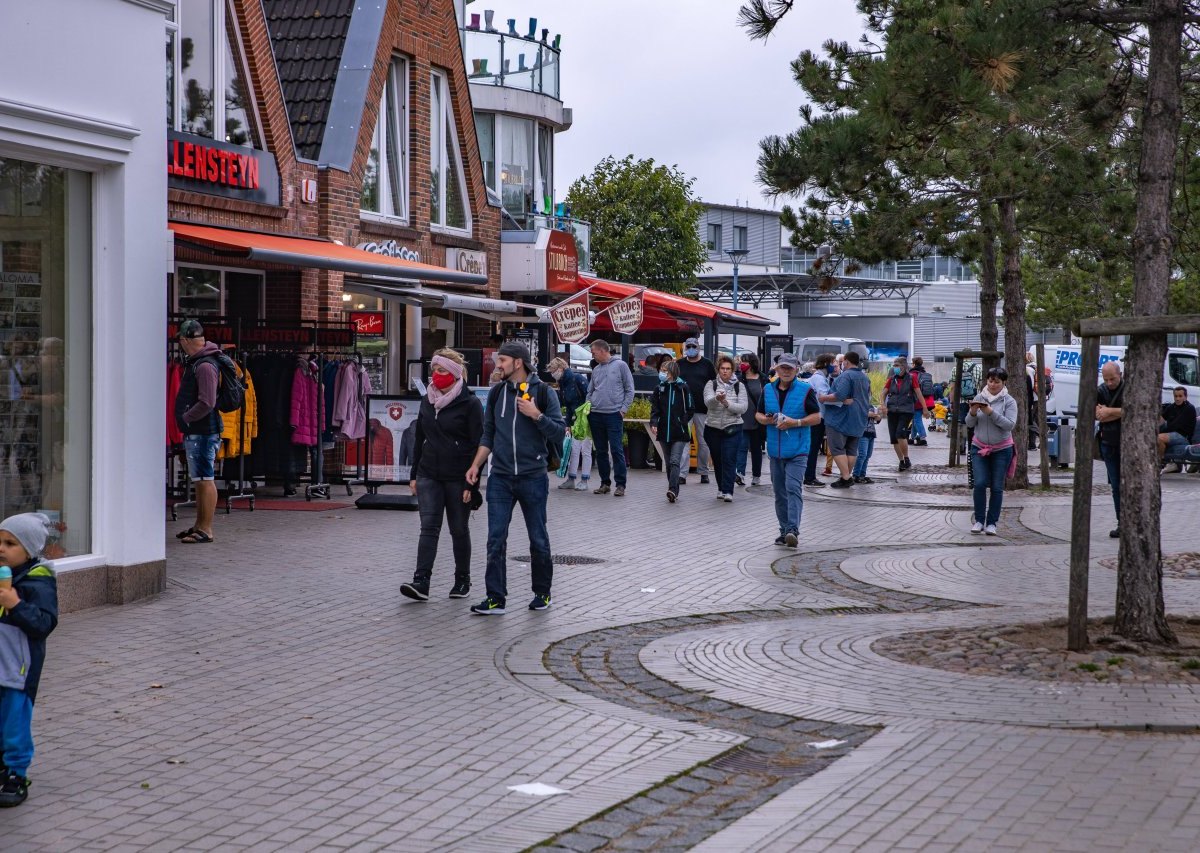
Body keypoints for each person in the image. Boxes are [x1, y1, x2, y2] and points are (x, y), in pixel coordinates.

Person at [465, 342, 565, 614]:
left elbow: (559, 433)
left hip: (533, 477)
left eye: (503, 360)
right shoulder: (497, 393)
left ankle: (542, 593)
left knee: (538, 538)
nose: (498, 365)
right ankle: (496, 598)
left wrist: (537, 415)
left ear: (518, 362)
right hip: (500, 478)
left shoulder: (544, 392)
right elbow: (488, 434)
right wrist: (476, 465)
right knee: (495, 538)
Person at [401, 349, 483, 603]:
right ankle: (421, 582)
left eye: (442, 371)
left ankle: (462, 580)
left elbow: (478, 444)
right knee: (429, 528)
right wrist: (414, 474)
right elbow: (419, 438)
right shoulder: (428, 400)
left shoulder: (470, 403)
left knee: (458, 529)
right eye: (434, 370)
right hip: (429, 473)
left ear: (455, 374)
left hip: (458, 476)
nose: (436, 376)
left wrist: (474, 484)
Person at [0, 512, 59, 807]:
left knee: (14, 724)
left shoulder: (39, 581)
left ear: (29, 549)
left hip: (18, 672)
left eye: (10, 543)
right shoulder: (3, 574)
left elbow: (44, 624)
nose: (1, 548)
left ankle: (16, 774)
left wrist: (16, 604)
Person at [755, 353, 821, 547]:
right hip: (775, 451)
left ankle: (793, 529)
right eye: (782, 367)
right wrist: (767, 420)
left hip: (798, 449)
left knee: (793, 488)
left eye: (789, 368)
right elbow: (757, 414)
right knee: (779, 492)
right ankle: (784, 531)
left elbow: (817, 417)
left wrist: (795, 422)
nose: (785, 371)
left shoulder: (805, 390)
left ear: (796, 370)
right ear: (776, 368)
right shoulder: (767, 389)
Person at [173, 319, 224, 545]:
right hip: (200, 430)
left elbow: (207, 402)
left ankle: (206, 528)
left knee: (205, 479)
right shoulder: (199, 362)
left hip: (204, 431)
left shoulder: (204, 365)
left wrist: (186, 418)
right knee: (200, 479)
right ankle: (199, 525)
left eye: (181, 341)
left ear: (185, 340)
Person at [965, 367, 1017, 536]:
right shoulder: (979, 398)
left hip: (1002, 449)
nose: (993, 384)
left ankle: (992, 523)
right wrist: (973, 412)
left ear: (1004, 383)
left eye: (997, 381)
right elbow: (969, 424)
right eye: (990, 381)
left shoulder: (1009, 401)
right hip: (979, 448)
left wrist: (990, 412)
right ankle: (979, 521)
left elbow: (1009, 424)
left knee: (996, 487)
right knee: (979, 483)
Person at [585, 340, 635, 496]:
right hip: (596, 414)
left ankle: (620, 485)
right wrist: (588, 405)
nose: (592, 355)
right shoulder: (596, 369)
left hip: (614, 414)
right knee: (600, 451)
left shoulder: (621, 366)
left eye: (593, 352)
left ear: (602, 350)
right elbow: (590, 390)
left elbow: (629, 389)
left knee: (616, 449)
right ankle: (605, 483)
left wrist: (623, 410)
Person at [821, 350, 872, 488]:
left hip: (840, 419)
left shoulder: (845, 376)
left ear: (847, 362)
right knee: (851, 449)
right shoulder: (864, 377)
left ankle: (846, 477)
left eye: (842, 362)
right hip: (859, 417)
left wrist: (823, 397)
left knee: (837, 448)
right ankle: (846, 477)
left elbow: (840, 395)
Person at [702, 355, 748, 502]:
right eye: (722, 368)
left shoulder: (739, 386)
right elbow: (708, 403)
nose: (725, 371)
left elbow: (743, 408)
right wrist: (717, 399)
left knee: (729, 458)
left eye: (728, 369)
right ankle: (721, 488)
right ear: (718, 369)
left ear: (732, 370)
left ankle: (729, 491)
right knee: (718, 459)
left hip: (733, 427)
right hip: (713, 427)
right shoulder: (712, 384)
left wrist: (727, 403)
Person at [649, 359, 694, 502]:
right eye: (661, 370)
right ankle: (672, 487)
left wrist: (683, 421)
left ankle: (673, 489)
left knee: (675, 461)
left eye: (665, 370)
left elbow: (691, 408)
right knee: (668, 463)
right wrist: (654, 422)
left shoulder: (683, 387)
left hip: (679, 432)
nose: (662, 373)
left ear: (672, 372)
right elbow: (655, 409)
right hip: (664, 431)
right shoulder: (659, 389)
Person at [676, 337, 717, 485]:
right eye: (689, 346)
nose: (691, 349)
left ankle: (704, 472)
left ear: (698, 347)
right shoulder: (679, 364)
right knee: (684, 441)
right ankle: (682, 474)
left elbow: (715, 383)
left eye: (694, 346)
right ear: (685, 348)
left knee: (704, 442)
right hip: (684, 409)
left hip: (703, 409)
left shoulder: (707, 364)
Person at [548, 357, 592, 491]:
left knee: (585, 449)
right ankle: (572, 478)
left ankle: (584, 479)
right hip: (575, 418)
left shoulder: (576, 379)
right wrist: (567, 422)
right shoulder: (564, 383)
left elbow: (588, 397)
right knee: (574, 448)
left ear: (561, 368)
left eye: (554, 370)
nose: (553, 373)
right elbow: (568, 405)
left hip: (585, 418)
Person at [880, 355, 928, 472]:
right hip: (892, 411)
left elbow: (919, 394)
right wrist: (883, 405)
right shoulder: (891, 379)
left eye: (897, 365)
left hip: (906, 410)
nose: (895, 368)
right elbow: (883, 393)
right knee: (894, 438)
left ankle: (906, 458)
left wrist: (925, 408)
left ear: (903, 367)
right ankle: (901, 461)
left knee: (900, 434)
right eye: (894, 365)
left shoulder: (911, 378)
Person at [1096, 361, 1124, 538]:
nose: (1109, 383)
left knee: (1128, 484)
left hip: (1126, 442)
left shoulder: (1128, 388)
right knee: (1115, 486)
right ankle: (1121, 521)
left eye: (1112, 379)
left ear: (1119, 374)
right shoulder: (1100, 391)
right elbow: (1097, 414)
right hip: (1108, 442)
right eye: (1106, 379)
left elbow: (1134, 410)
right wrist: (1117, 413)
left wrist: (1109, 411)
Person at [803, 354, 836, 487]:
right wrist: (842, 400)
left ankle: (809, 476)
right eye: (832, 363)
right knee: (813, 447)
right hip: (818, 417)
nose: (833, 366)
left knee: (813, 447)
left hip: (818, 416)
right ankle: (809, 477)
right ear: (826, 364)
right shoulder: (819, 379)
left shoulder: (820, 377)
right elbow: (824, 397)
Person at [735, 354, 765, 486]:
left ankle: (756, 475)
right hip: (742, 417)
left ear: (752, 363)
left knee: (756, 448)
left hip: (758, 418)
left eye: (744, 362)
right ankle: (740, 474)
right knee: (741, 447)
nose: (741, 364)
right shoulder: (738, 379)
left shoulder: (763, 378)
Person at [1158, 387, 1196, 473]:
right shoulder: (1171, 407)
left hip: (1183, 437)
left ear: (1185, 397)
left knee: (1159, 438)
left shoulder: (1189, 408)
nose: (1177, 398)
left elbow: (1175, 426)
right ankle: (1172, 464)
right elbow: (1161, 420)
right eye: (1175, 396)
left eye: (1180, 396)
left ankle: (1160, 464)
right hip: (1172, 435)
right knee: (1155, 438)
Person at [909, 356, 935, 446]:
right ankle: (912, 438)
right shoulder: (925, 374)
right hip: (926, 400)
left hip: (916, 400)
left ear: (913, 364)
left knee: (916, 419)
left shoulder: (912, 374)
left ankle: (922, 438)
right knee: (915, 418)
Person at [853, 404, 881, 483]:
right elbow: (857, 415)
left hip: (871, 433)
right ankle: (856, 475)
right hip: (862, 433)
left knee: (868, 455)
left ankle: (862, 475)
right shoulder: (858, 404)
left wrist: (878, 417)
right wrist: (868, 414)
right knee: (862, 454)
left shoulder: (871, 406)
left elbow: (877, 419)